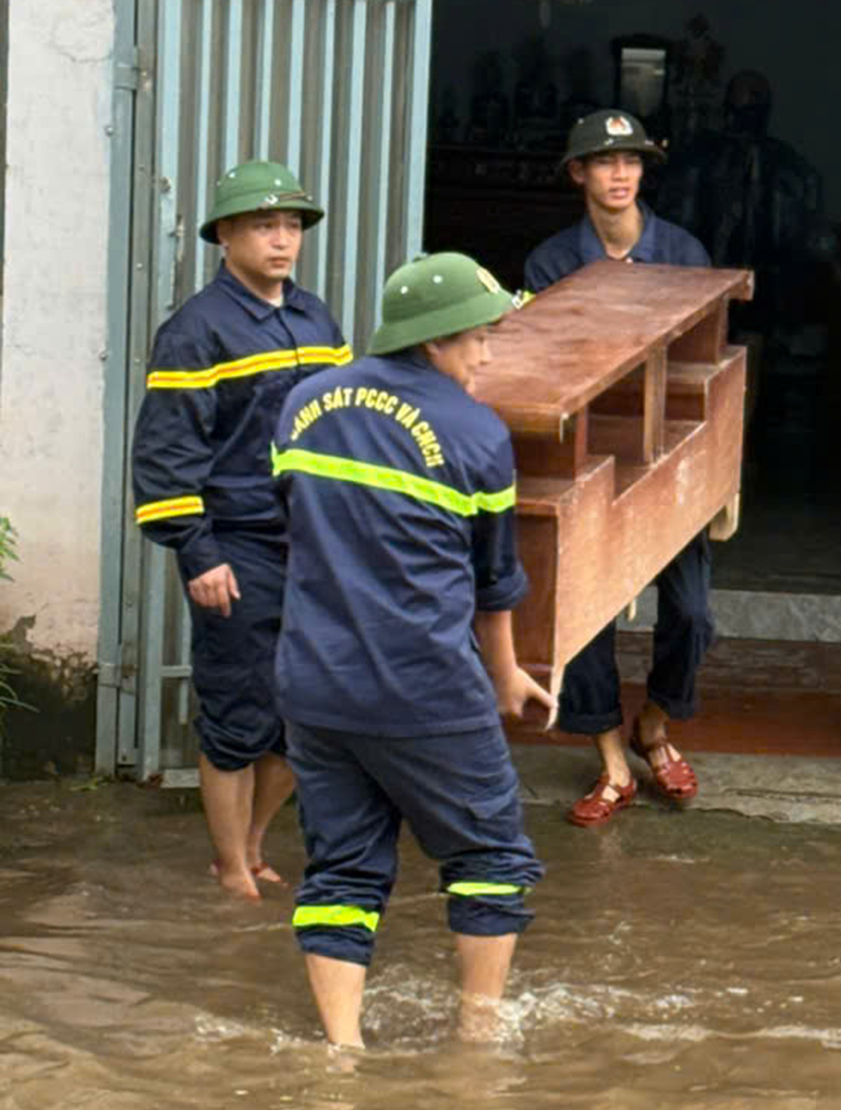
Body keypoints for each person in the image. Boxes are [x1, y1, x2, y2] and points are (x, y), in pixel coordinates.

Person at [271, 251, 555, 1048]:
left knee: (341, 869)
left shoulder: (302, 403)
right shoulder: (476, 432)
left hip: (315, 685)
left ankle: (341, 1049)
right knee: (491, 853)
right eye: (475, 339)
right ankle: (478, 1037)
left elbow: (289, 526)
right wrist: (507, 678)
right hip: (425, 686)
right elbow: (495, 579)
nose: (486, 356)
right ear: (433, 339)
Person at [131, 160, 352, 902]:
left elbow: (346, 427)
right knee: (235, 711)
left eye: (291, 224)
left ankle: (252, 843)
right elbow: (165, 454)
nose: (282, 239)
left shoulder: (318, 319)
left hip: (313, 547)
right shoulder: (195, 330)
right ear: (225, 235)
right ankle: (230, 869)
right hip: (234, 546)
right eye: (264, 224)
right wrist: (197, 551)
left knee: (306, 712)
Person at [523, 108, 712, 828]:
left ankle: (654, 727)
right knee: (586, 615)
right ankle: (610, 763)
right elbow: (543, 365)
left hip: (669, 457)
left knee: (693, 613)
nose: (620, 174)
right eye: (603, 163)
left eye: (631, 162)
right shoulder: (550, 263)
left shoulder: (683, 253)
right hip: (588, 458)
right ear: (579, 173)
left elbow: (708, 358)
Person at [656, 69, 841, 342]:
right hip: (703, 290)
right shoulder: (697, 160)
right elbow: (671, 227)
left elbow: (814, 234)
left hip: (766, 294)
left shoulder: (789, 166)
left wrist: (829, 264)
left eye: (753, 108)